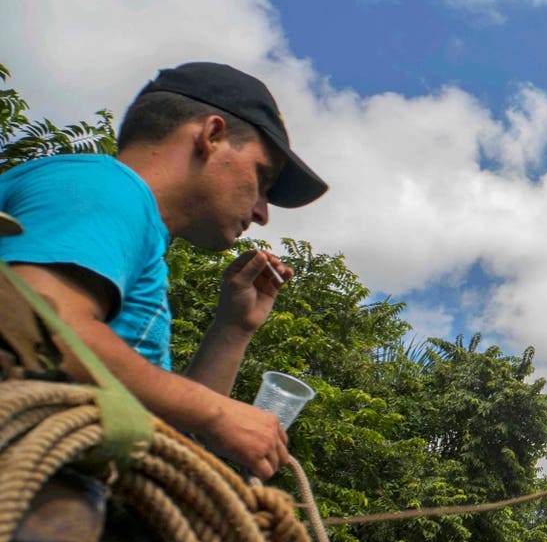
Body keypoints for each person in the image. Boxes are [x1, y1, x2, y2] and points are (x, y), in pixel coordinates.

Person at [0, 62, 327, 479]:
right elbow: (38, 327)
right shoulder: (105, 187)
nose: (263, 213)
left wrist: (233, 327)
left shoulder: (133, 231)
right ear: (212, 135)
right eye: (262, 178)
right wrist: (214, 412)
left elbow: (168, 434)